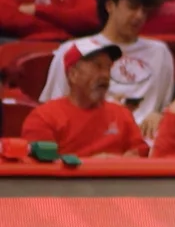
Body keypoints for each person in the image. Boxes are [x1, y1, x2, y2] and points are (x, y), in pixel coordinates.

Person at [42, 0, 175, 132]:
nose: (139, 16)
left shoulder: (160, 52)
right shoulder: (74, 50)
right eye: (132, 7)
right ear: (110, 6)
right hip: (89, 135)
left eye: (144, 10)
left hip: (145, 141)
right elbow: (52, 107)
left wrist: (161, 115)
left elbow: (167, 108)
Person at [19, 38, 148, 157]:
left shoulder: (121, 114)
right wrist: (91, 166)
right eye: (97, 66)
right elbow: (39, 170)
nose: (105, 75)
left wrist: (120, 161)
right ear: (73, 74)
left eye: (108, 68)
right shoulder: (44, 117)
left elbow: (140, 152)